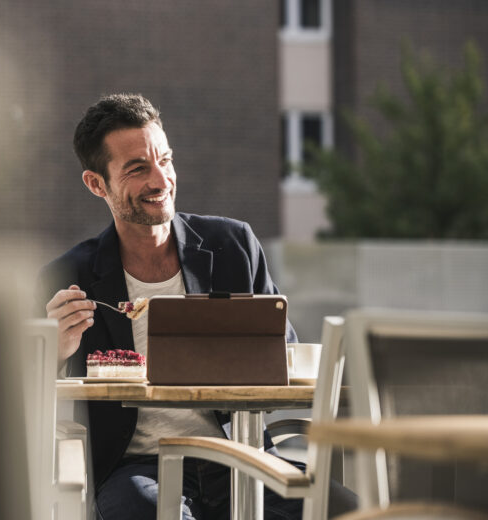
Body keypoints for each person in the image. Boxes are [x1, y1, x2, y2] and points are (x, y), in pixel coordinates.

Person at [37, 93, 356, 519]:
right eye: (137, 169)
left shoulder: (233, 247)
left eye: (164, 161)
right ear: (97, 184)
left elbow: (285, 356)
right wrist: (50, 352)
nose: (160, 180)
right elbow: (20, 395)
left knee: (348, 510)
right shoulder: (70, 277)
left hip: (239, 457)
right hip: (136, 469)